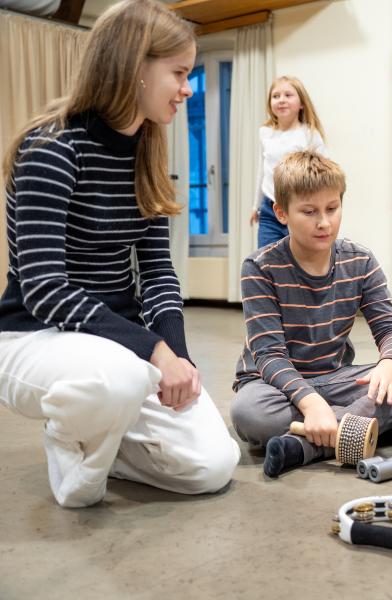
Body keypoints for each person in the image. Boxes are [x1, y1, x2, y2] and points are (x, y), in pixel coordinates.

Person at [0, 0, 239, 508]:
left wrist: (180, 358)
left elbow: (156, 273)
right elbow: (44, 289)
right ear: (135, 69)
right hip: (32, 336)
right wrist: (153, 352)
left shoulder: (146, 154)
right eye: (178, 73)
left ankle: (104, 439)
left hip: (115, 344)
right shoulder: (52, 148)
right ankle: (70, 437)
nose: (187, 89)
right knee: (123, 376)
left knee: (213, 465)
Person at [230, 151, 392, 477]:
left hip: (335, 378)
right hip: (273, 385)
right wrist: (311, 404)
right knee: (249, 413)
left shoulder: (361, 260)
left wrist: (390, 363)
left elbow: (390, 329)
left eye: (332, 209)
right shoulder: (259, 267)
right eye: (309, 212)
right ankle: (360, 426)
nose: (324, 222)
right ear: (281, 213)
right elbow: (269, 356)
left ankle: (306, 446)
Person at [250, 76, 328, 248]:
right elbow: (262, 172)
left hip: (300, 209)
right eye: (276, 96)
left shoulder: (309, 134)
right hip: (270, 209)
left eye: (288, 95)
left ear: (301, 103)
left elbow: (325, 175)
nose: (281, 100)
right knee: (267, 259)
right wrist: (256, 205)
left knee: (299, 260)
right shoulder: (265, 133)